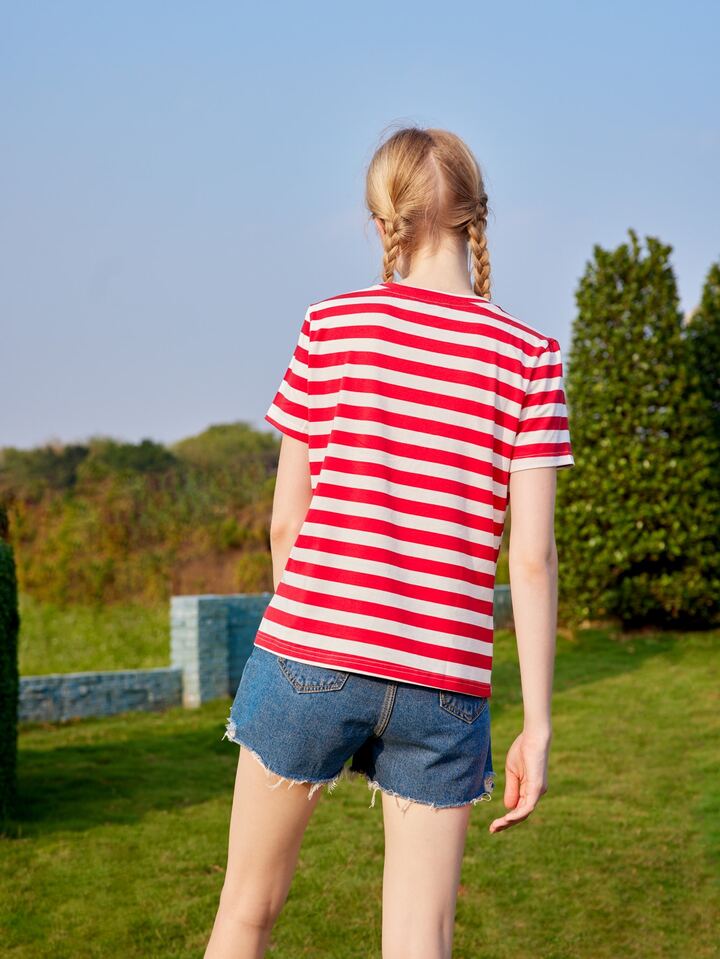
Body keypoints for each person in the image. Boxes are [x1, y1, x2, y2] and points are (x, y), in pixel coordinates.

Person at [204, 125, 575, 959]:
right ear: (477, 215)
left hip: (310, 650)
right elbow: (531, 558)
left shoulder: (331, 326)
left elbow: (286, 523)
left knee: (247, 911)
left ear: (382, 222)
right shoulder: (531, 357)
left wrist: (311, 647)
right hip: (445, 683)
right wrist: (538, 724)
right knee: (419, 940)